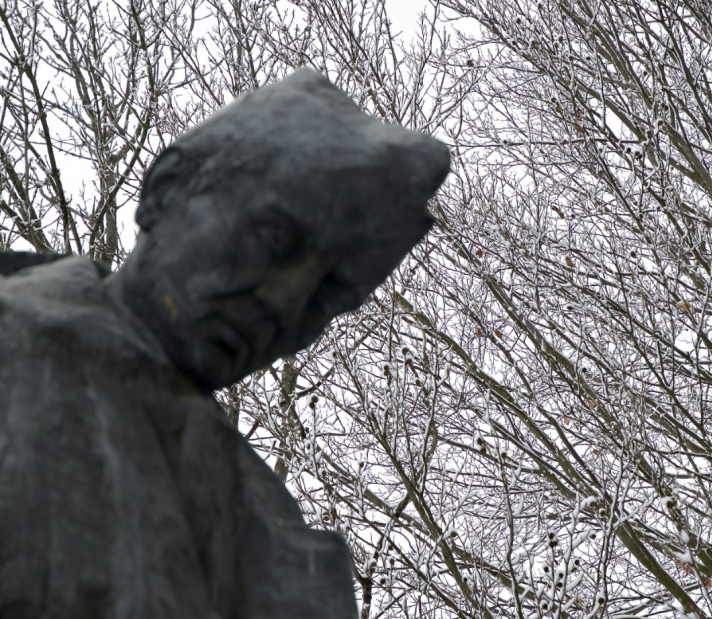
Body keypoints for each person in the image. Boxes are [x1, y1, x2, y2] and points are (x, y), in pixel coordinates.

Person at [0, 68, 449, 618]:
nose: (283, 306)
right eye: (274, 241)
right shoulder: (17, 348)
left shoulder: (267, 521)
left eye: (326, 297)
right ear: (167, 187)